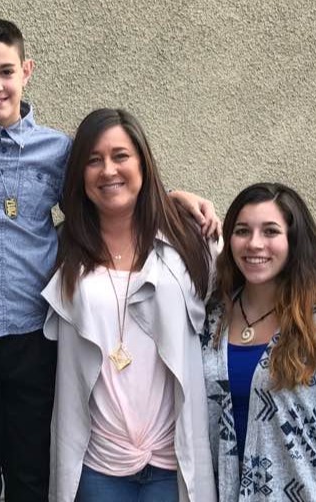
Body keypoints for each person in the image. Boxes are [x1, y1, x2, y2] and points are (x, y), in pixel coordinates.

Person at [0, 19, 219, 502]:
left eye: (6, 72)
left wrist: (171, 197)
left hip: (34, 336)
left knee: (32, 472)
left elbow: (111, 190)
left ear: (27, 71)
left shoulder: (59, 151)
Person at [42, 108, 218, 502]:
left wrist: (172, 200)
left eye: (120, 155)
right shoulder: (60, 248)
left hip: (171, 466)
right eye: (93, 160)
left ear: (143, 163)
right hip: (98, 468)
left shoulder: (188, 241)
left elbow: (251, 288)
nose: (108, 170)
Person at [200, 182, 316, 500]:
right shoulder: (213, 319)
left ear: (293, 241)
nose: (254, 243)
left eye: (270, 231)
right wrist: (181, 198)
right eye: (242, 231)